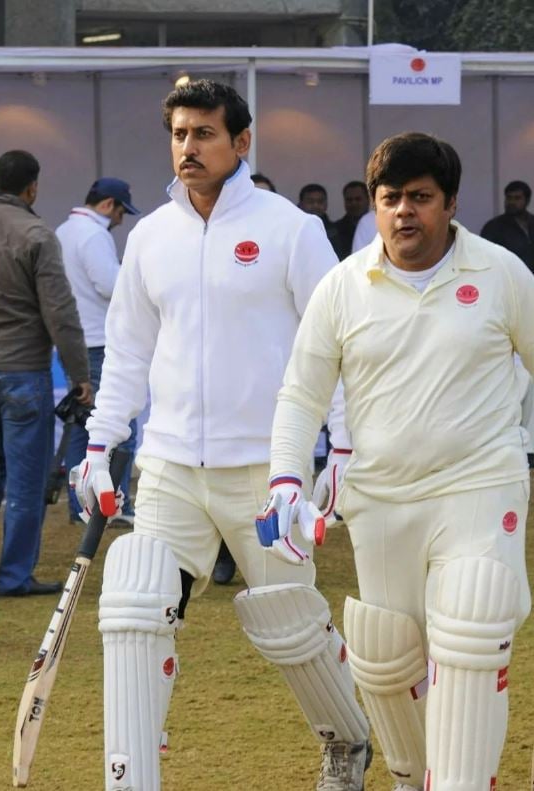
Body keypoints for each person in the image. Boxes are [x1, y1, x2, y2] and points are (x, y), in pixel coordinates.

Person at [74, 80, 370, 791]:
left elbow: (336, 342)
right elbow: (129, 353)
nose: (187, 148)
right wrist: (97, 443)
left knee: (290, 625)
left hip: (268, 472)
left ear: (240, 143)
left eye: (203, 134)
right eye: (178, 134)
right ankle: (130, 774)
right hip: (172, 465)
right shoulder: (150, 236)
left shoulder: (288, 228)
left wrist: (342, 446)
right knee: (138, 608)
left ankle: (348, 740)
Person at [263, 132, 533, 791]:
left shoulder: (500, 274)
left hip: (477, 483)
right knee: (383, 657)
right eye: (391, 199)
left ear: (448, 205)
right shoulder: (342, 286)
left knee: (471, 620)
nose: (404, 211)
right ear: (374, 206)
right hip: (379, 498)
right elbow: (301, 391)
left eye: (420, 198)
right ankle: (413, 776)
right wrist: (285, 480)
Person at [0, 150, 92, 597]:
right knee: (26, 476)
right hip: (23, 365)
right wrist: (79, 372)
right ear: (32, 187)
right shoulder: (35, 232)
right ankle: (14, 575)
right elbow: (59, 311)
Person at [55, 178, 140, 525]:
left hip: (74, 340)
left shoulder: (63, 231)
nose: (120, 219)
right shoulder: (94, 235)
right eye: (121, 211)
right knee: (119, 426)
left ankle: (82, 505)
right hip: (100, 342)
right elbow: (111, 285)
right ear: (108, 204)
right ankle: (113, 504)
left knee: (82, 425)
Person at [481, 180, 534, 272]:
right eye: (509, 198)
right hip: (509, 281)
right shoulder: (493, 227)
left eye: (517, 198)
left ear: (527, 200)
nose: (511, 202)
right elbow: (485, 258)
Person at [333, 180, 370, 260]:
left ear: (368, 200)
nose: (354, 203)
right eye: (349, 200)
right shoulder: (335, 230)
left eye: (358, 199)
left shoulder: (379, 226)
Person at [298, 182, 338, 249]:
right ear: (301, 204)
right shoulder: (294, 230)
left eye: (320, 201)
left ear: (326, 204)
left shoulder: (335, 231)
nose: (315, 206)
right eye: (310, 202)